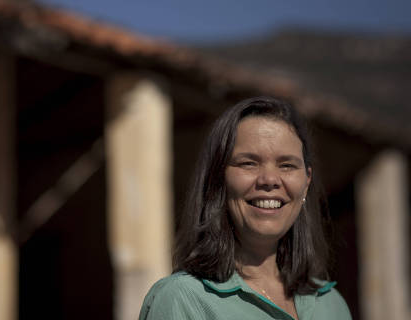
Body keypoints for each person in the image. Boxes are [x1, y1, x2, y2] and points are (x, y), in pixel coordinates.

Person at [139, 96, 352, 320]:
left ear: (307, 182)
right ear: (218, 178)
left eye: (287, 165)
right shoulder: (183, 299)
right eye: (248, 163)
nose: (269, 179)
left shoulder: (331, 305)